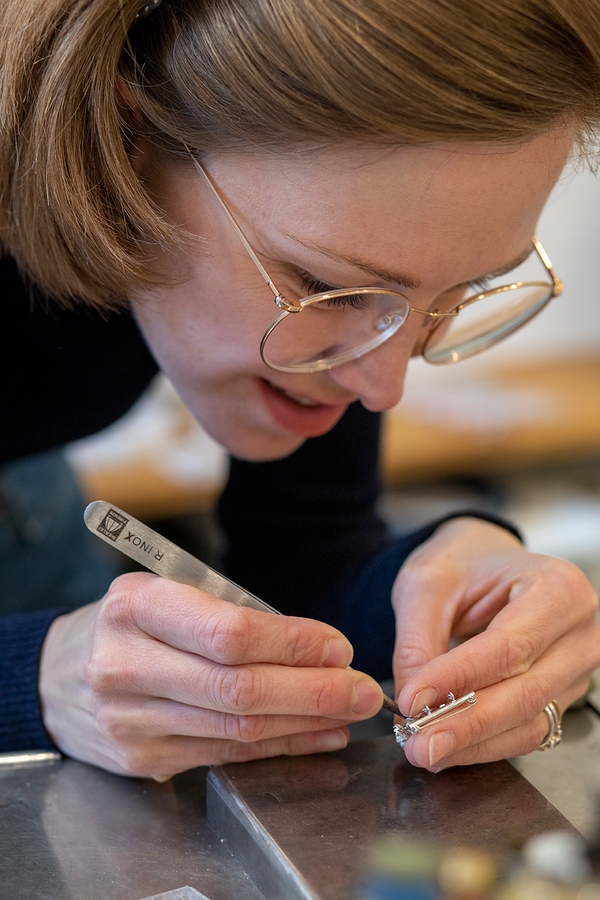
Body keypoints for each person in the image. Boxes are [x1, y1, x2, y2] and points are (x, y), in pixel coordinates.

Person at [1, 0, 599, 782]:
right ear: (124, 136)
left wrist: (448, 588)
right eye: (327, 288)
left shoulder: (341, 319)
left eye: (460, 291)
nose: (382, 387)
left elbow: (299, 575)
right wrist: (32, 678)